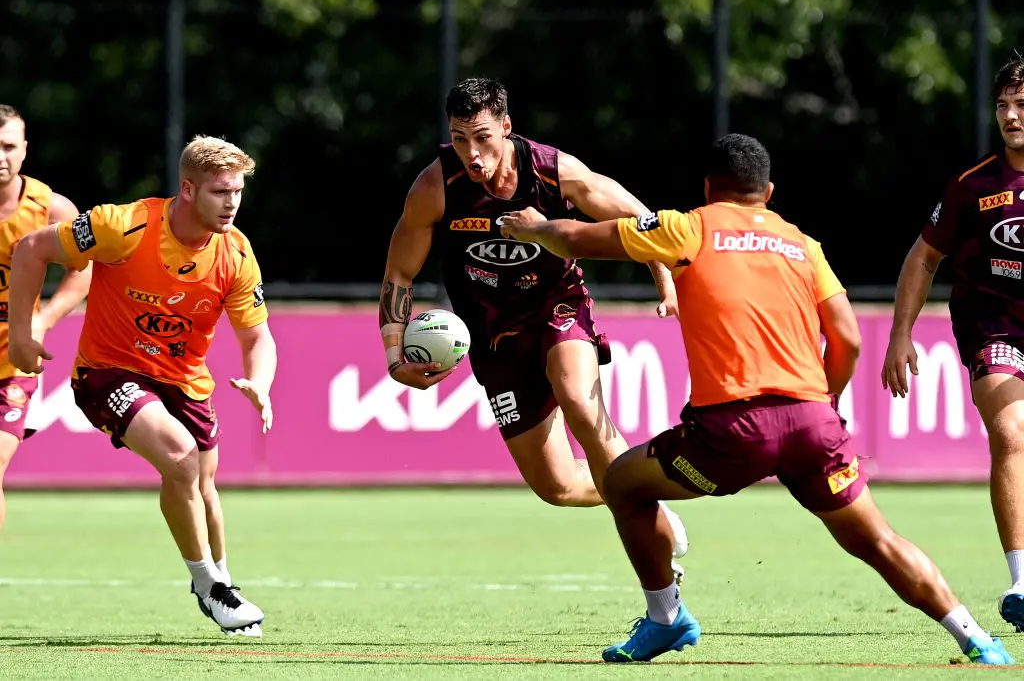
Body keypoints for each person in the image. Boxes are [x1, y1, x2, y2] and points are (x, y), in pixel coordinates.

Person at [500, 133, 1014, 665]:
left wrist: (536, 228)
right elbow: (849, 338)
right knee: (878, 540)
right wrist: (828, 399)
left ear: (707, 188)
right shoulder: (803, 244)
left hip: (732, 431)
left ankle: (666, 619)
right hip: (813, 425)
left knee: (622, 483)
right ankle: (975, 637)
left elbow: (577, 237)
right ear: (767, 192)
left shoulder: (688, 227)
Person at [379, 77, 689, 578]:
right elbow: (399, 273)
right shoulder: (435, 187)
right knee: (557, 486)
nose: (472, 154)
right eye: (459, 139)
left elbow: (640, 220)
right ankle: (643, 492)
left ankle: (651, 545)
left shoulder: (552, 170)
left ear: (506, 127)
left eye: (482, 137)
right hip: (494, 336)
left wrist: (666, 282)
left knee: (579, 402)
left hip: (556, 306)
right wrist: (395, 357)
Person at [7, 135, 276, 638]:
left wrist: (260, 383)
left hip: (185, 380)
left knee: (203, 485)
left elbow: (257, 336)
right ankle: (209, 587)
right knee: (181, 458)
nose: (232, 203)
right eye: (220, 192)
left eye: (238, 191)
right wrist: (24, 331)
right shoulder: (123, 225)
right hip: (107, 372)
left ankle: (223, 581)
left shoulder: (237, 253)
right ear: (188, 189)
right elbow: (31, 248)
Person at [881, 53, 1024, 634]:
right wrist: (900, 334)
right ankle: (1022, 583)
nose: (1011, 116)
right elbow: (923, 259)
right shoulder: (972, 186)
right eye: (1004, 105)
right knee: (1011, 431)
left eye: (1022, 105)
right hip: (995, 328)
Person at [0, 104, 92, 532]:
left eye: (8, 146)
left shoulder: (52, 209)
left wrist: (44, 320)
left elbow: (84, 269)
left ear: (24, 149)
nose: (0, 157)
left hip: (11, 364)